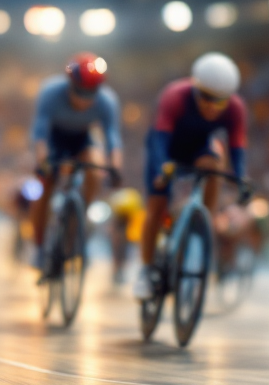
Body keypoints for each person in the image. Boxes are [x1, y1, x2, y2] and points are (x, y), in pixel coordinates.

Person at [134, 52, 248, 301]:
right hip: (166, 148)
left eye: (219, 101)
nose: (211, 106)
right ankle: (144, 269)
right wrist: (162, 168)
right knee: (156, 205)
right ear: (195, 88)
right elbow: (160, 138)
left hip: (198, 150)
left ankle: (203, 221)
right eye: (205, 98)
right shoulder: (175, 95)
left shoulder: (236, 108)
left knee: (215, 164)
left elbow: (237, 148)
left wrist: (240, 179)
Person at [29, 52, 123, 271]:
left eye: (90, 94)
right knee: (46, 185)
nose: (83, 100)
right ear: (69, 83)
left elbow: (112, 137)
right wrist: (43, 161)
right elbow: (40, 133)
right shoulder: (50, 92)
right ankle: (39, 246)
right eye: (79, 92)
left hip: (83, 140)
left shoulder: (107, 101)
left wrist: (115, 166)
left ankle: (79, 216)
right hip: (55, 140)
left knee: (95, 168)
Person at [108, 187, 144, 285]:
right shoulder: (125, 200)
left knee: (121, 250)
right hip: (122, 223)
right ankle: (117, 271)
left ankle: (119, 271)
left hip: (126, 224)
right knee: (119, 249)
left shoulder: (128, 199)